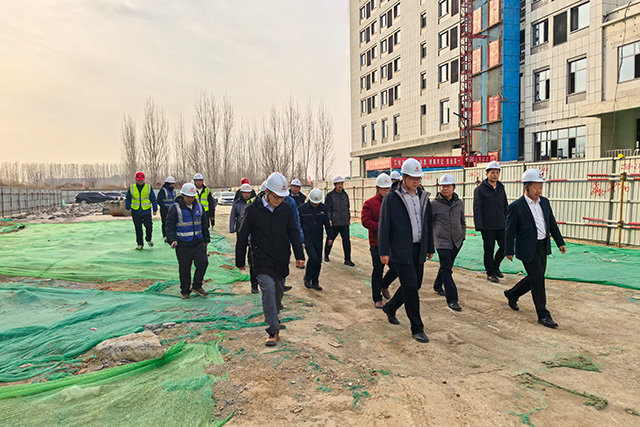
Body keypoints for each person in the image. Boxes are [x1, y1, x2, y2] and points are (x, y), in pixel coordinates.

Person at [236, 172, 305, 346]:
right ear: (267, 192)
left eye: (282, 197)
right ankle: (273, 330)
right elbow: (242, 235)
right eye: (276, 197)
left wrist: (299, 255)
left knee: (278, 292)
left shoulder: (285, 209)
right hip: (261, 258)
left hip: (281, 258)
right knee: (267, 291)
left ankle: (275, 316)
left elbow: (293, 232)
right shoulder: (253, 210)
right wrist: (240, 260)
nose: (279, 201)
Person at [378, 158, 435, 343]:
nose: (416, 182)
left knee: (415, 285)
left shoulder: (423, 196)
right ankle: (417, 328)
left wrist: (430, 246)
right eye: (412, 178)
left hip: (419, 248)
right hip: (401, 249)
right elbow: (384, 226)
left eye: (418, 178)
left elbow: (428, 223)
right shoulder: (392, 198)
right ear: (403, 177)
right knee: (411, 288)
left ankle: (390, 307)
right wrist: (384, 251)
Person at [504, 169, 567, 329]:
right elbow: (509, 230)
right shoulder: (516, 206)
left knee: (535, 277)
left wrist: (560, 242)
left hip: (542, 245)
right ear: (526, 187)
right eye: (536, 187)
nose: (539, 190)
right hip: (527, 248)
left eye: (541, 187)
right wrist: (508, 250)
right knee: (538, 280)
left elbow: (551, 223)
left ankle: (512, 294)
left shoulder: (544, 202)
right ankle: (543, 315)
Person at [166, 183, 211, 299]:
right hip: (183, 244)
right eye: (188, 197)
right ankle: (185, 291)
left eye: (192, 197)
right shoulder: (175, 208)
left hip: (198, 243)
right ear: (183, 195)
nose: (190, 199)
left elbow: (204, 224)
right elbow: (169, 226)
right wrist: (172, 240)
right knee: (184, 269)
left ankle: (197, 286)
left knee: (203, 263)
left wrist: (206, 238)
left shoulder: (199, 207)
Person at [361, 173, 398, 308]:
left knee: (396, 268)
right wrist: (382, 227)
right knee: (378, 270)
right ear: (377, 188)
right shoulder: (369, 204)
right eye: (384, 189)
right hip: (376, 242)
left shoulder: (394, 202)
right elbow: (365, 221)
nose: (386, 191)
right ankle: (377, 297)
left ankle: (384, 284)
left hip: (392, 242)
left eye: (388, 188)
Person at [432, 174, 465, 312]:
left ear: (453, 187)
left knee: (446, 266)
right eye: (443, 186)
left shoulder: (459, 203)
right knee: (447, 269)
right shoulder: (434, 204)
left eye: (448, 186)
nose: (445, 188)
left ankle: (437, 285)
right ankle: (452, 299)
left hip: (457, 241)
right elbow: (429, 223)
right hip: (442, 241)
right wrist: (433, 239)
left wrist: (463, 235)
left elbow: (462, 221)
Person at [473, 161, 508, 283]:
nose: (495, 175)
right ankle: (490, 273)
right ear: (487, 174)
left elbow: (505, 205)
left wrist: (507, 220)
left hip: (501, 224)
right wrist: (479, 225)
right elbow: (477, 208)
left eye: (497, 173)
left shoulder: (501, 187)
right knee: (489, 250)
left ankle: (496, 266)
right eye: (492, 173)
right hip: (487, 226)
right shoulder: (480, 190)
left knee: (505, 246)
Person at [298, 188, 331, 291]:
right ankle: (307, 278)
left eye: (317, 203)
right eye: (314, 203)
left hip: (318, 237)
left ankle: (315, 281)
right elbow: (298, 225)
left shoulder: (323, 208)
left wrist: (330, 237)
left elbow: (327, 223)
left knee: (318, 261)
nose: (315, 204)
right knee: (313, 258)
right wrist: (300, 240)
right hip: (307, 237)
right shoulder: (302, 209)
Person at [230, 183, 259, 293]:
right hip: (241, 229)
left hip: (253, 230)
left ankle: (252, 269)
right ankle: (241, 264)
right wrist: (232, 228)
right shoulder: (237, 204)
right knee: (241, 247)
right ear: (241, 193)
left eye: (248, 192)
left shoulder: (255, 203)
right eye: (245, 193)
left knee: (252, 253)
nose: (247, 194)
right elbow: (233, 216)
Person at [324, 176, 354, 266]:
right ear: (335, 185)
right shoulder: (330, 195)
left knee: (346, 241)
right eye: (338, 184)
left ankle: (347, 259)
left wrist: (348, 218)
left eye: (341, 184)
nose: (340, 186)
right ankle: (326, 254)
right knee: (330, 239)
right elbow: (327, 209)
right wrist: (329, 219)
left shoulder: (345, 195)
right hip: (334, 222)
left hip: (344, 222)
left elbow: (347, 207)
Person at [125, 171, 158, 250]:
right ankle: (140, 244)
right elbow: (128, 198)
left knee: (149, 226)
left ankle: (148, 239)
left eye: (141, 180)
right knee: (138, 228)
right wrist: (128, 207)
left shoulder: (148, 187)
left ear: (144, 179)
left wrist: (155, 209)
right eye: (139, 180)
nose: (140, 181)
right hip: (135, 211)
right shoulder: (132, 188)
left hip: (146, 210)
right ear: (136, 179)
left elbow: (153, 198)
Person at [157, 176, 176, 242]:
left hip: (172, 210)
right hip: (164, 210)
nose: (173, 185)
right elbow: (159, 200)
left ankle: (172, 235)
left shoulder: (173, 191)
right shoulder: (163, 190)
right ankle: (165, 235)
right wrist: (164, 207)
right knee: (165, 223)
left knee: (172, 223)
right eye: (172, 184)